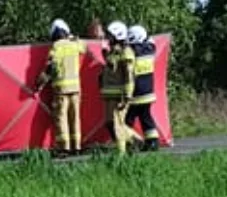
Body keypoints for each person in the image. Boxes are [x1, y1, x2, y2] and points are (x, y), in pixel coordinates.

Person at [35, 19, 100, 157]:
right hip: (76, 89)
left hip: (61, 89)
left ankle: (64, 148)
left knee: (61, 118)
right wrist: (74, 38)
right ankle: (76, 146)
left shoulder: (56, 47)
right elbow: (85, 47)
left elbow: (50, 67)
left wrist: (39, 83)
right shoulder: (74, 45)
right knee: (75, 117)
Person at [98, 22, 136, 154]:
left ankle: (121, 155)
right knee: (109, 123)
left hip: (120, 95)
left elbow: (129, 76)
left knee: (118, 124)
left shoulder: (126, 53)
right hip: (109, 95)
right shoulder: (113, 52)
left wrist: (127, 95)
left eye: (110, 36)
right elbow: (111, 68)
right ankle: (134, 141)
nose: (108, 38)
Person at [127, 25, 161, 151]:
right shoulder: (150, 49)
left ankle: (130, 142)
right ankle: (153, 142)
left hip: (136, 94)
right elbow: (151, 41)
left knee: (127, 121)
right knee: (146, 117)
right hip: (148, 93)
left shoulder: (131, 52)